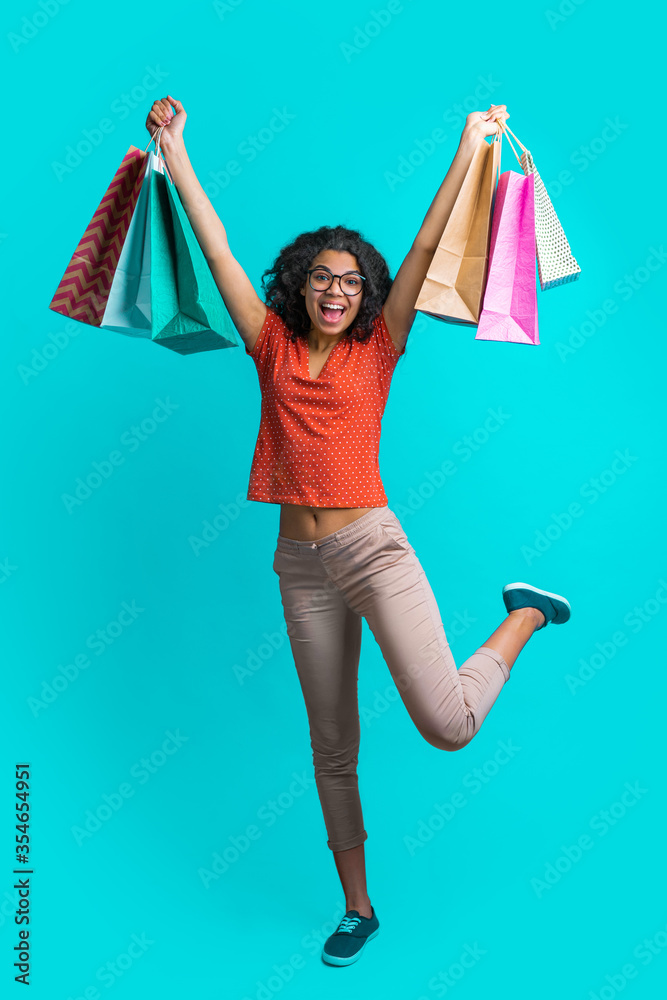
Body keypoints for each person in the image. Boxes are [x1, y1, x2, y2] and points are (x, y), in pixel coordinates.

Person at [146, 96, 571, 967]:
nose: (336, 291)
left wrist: (466, 148)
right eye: (321, 279)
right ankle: (357, 907)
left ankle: (522, 614)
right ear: (297, 287)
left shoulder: (379, 345)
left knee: (446, 726)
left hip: (372, 549)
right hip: (297, 566)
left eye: (349, 281)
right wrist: (175, 149)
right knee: (331, 741)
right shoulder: (266, 343)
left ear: (364, 294)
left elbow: (420, 248)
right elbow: (216, 244)